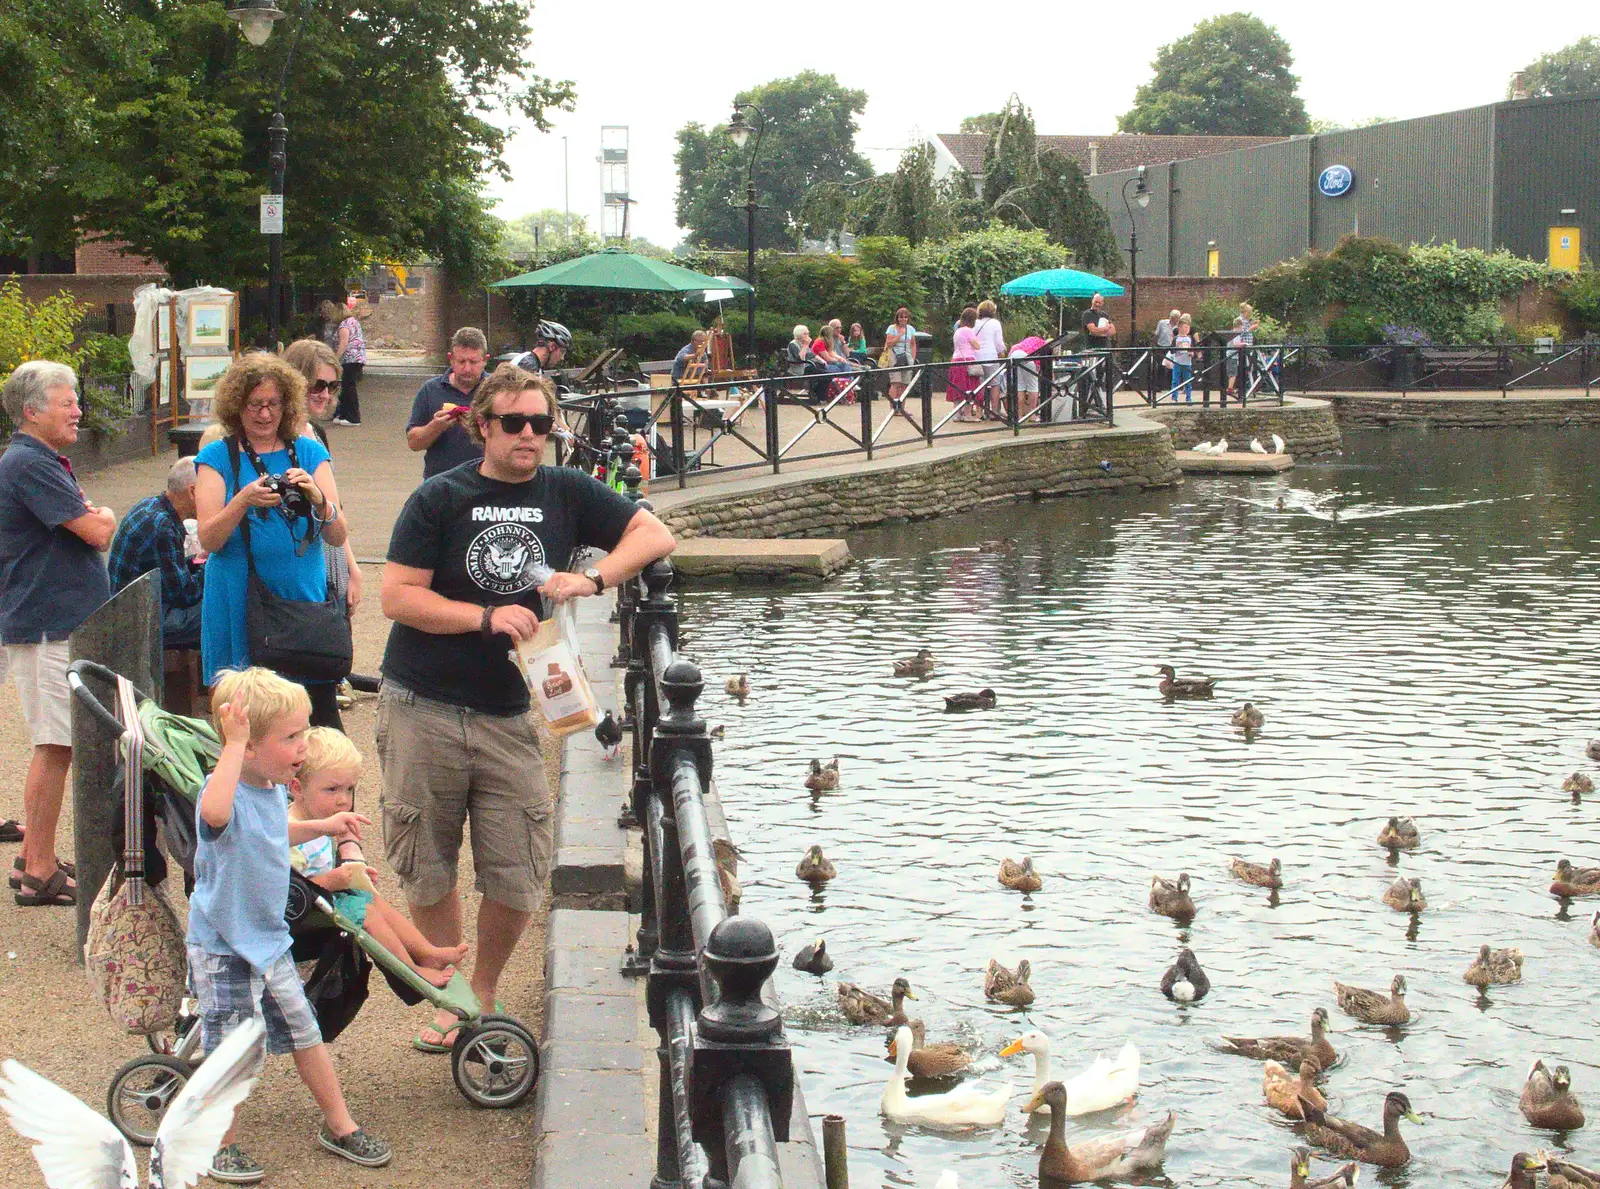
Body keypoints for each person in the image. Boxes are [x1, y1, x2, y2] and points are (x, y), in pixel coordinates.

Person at [378, 365, 676, 1051]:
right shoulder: (440, 496)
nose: (529, 436)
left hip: (510, 708)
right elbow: (396, 596)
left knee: (518, 864)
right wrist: (483, 618)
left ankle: (482, 988)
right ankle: (452, 994)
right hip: (423, 698)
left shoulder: (566, 490)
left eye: (541, 424)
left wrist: (594, 575)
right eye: (514, 423)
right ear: (483, 425)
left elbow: (653, 535)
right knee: (427, 858)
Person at [189, 667, 391, 1181]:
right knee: (230, 1049)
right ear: (250, 747)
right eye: (292, 736)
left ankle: (340, 1124)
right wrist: (232, 748)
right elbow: (215, 815)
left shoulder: (268, 790)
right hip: (226, 946)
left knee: (306, 1032)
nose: (304, 745)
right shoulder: (227, 788)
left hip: (268, 939)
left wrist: (322, 825)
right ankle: (216, 1140)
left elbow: (273, 834)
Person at [0, 361, 114, 907]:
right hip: (46, 624)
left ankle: (35, 856)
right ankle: (38, 869)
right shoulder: (28, 462)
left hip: (55, 619)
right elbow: (93, 529)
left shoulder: (41, 460)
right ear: (31, 412)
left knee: (59, 744)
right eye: (66, 403)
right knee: (54, 744)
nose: (78, 411)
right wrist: (106, 516)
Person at [194, 353, 350, 729]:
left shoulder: (310, 452)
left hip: (301, 598)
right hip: (238, 598)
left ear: (287, 405)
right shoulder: (217, 456)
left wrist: (317, 498)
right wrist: (243, 500)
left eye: (273, 405)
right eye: (254, 405)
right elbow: (209, 539)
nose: (264, 415)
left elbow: (337, 534)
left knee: (318, 721)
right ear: (237, 406)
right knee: (245, 721)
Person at [289, 727, 467, 987]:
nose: (343, 800)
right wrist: (337, 879)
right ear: (297, 788)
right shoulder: (292, 832)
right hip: (304, 911)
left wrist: (353, 876)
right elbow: (289, 893)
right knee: (367, 913)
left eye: (349, 789)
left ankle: (426, 951)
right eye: (331, 790)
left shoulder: (320, 820)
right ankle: (410, 971)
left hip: (325, 897)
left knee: (373, 898)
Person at [284, 338, 363, 618]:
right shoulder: (276, 438)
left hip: (330, 547)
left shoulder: (316, 433)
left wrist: (352, 568)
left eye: (331, 386)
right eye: (317, 385)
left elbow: (334, 507)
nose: (325, 394)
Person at [108, 456, 204, 647]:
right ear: (192, 492)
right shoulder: (162, 526)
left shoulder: (151, 505)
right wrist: (214, 564)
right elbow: (185, 595)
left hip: (130, 607)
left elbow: (169, 574)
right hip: (139, 622)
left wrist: (196, 561)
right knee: (223, 610)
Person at [407, 326, 488, 480]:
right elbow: (413, 443)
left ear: (485, 360)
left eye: (473, 361)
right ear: (451, 359)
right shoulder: (431, 390)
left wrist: (478, 428)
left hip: (485, 484)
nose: (467, 368)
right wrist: (435, 426)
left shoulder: (497, 390)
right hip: (440, 483)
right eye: (461, 361)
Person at [331, 302, 366, 426]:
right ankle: (344, 414)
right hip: (358, 358)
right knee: (347, 387)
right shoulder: (354, 322)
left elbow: (343, 344)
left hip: (350, 359)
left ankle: (353, 417)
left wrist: (335, 359)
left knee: (349, 387)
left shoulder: (344, 325)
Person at [1081, 293, 1118, 409]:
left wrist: (1102, 331)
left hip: (1104, 350)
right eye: (1096, 301)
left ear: (1102, 303)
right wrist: (1105, 329)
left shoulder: (1104, 314)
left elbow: (1113, 331)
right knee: (1091, 376)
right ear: (1092, 301)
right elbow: (1093, 330)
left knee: (1102, 376)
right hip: (1092, 350)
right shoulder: (1087, 314)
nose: (1097, 304)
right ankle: (1088, 403)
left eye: (1100, 302)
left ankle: (1100, 402)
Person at [973, 299, 1007, 417]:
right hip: (991, 356)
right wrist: (1001, 352)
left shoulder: (975, 323)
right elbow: (999, 342)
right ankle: (994, 412)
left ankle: (978, 411)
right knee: (995, 384)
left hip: (977, 357)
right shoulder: (995, 323)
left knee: (979, 385)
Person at [948, 306, 982, 421]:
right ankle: (967, 414)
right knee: (969, 387)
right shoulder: (969, 330)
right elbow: (977, 346)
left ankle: (956, 414)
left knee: (958, 388)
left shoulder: (957, 330)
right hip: (968, 361)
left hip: (956, 360)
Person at [884, 307, 918, 403]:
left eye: (905, 317)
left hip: (907, 358)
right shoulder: (892, 328)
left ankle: (901, 408)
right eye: (901, 317)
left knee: (905, 384)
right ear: (897, 318)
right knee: (895, 383)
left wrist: (913, 358)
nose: (903, 319)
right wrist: (899, 335)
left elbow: (913, 345)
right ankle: (893, 408)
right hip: (895, 357)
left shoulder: (911, 329)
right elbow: (889, 343)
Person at [1226, 301, 1260, 396]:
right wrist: (1251, 328)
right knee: (1240, 369)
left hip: (1246, 346)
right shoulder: (1239, 321)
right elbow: (1241, 332)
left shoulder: (1246, 320)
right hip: (1241, 348)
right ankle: (1238, 388)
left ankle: (1246, 387)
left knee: (1247, 368)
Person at [1169, 315, 1195, 402]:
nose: (1187, 329)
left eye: (1188, 327)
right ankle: (1174, 397)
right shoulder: (1176, 338)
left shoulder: (1190, 339)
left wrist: (1191, 353)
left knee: (1188, 381)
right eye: (1185, 327)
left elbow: (1192, 349)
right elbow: (1171, 351)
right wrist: (1176, 347)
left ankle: (1189, 398)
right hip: (1177, 362)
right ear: (1180, 328)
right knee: (1175, 381)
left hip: (1187, 363)